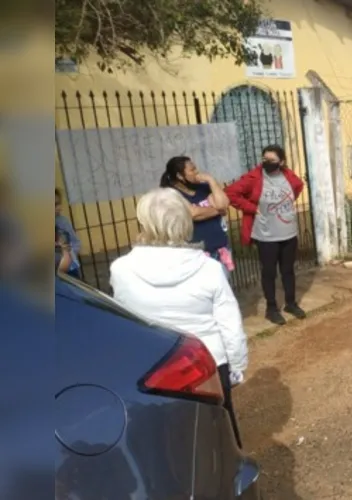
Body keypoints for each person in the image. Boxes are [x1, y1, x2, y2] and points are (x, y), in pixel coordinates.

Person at [109, 187, 249, 447]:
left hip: (153, 367)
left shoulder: (120, 270)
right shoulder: (210, 269)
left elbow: (125, 324)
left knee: (166, 441)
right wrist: (236, 368)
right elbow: (229, 324)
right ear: (185, 221)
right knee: (221, 436)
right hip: (207, 365)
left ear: (144, 223)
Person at [224, 145, 306, 326]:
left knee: (288, 270)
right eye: (265, 159)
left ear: (281, 162)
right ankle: (272, 308)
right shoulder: (254, 177)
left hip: (288, 232)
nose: (267, 163)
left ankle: (291, 304)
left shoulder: (288, 176)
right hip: (266, 234)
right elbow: (230, 193)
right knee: (268, 272)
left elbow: (298, 187)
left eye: (272, 160)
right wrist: (252, 208)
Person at [159, 156, 233, 275]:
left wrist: (211, 180)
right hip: (197, 253)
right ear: (179, 176)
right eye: (192, 170)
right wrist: (218, 210)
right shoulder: (172, 195)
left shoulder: (203, 187)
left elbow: (223, 203)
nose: (197, 172)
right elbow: (193, 214)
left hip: (220, 248)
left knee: (222, 288)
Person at [55, 188, 82, 278]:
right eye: (55, 205)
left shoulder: (64, 221)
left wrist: (71, 254)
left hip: (70, 267)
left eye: (59, 203)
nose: (59, 207)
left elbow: (76, 242)